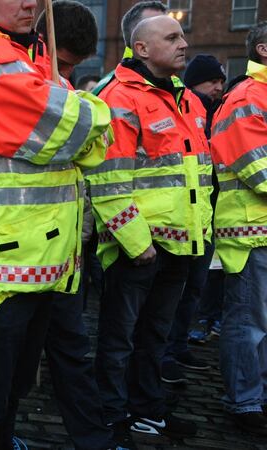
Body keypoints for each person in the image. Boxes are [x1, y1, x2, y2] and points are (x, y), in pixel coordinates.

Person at [0, 0, 111, 448]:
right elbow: (72, 129)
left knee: (10, 393)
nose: (31, 3)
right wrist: (87, 109)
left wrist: (78, 117)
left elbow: (91, 146)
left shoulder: (25, 57)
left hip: (31, 260)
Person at [88, 15, 212, 442]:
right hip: (137, 249)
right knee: (119, 338)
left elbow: (197, 177)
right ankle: (110, 414)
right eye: (172, 37)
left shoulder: (187, 100)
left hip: (179, 246)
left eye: (182, 36)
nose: (184, 43)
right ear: (141, 49)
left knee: (154, 337)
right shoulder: (118, 98)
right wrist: (137, 244)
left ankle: (146, 409)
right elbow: (107, 182)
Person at [33, 3, 118, 449]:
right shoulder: (20, 81)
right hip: (13, 255)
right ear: (43, 41)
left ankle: (94, 440)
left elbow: (91, 150)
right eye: (63, 62)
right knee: (2, 373)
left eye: (73, 67)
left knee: (72, 352)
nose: (66, 72)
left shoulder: (60, 86)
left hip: (65, 251)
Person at [208, 21, 267, 436]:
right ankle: (246, 402)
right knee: (248, 323)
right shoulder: (247, 96)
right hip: (251, 231)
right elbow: (256, 167)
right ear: (264, 49)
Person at [161, 54, 226, 384]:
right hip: (181, 218)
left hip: (205, 214)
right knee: (179, 291)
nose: (218, 87)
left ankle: (178, 344)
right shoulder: (188, 108)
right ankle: (168, 352)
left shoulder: (211, 111)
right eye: (212, 81)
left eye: (220, 81)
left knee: (194, 289)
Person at [93, 1, 167, 95]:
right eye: (159, 28)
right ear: (136, 35)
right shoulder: (111, 90)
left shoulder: (177, 86)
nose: (183, 44)